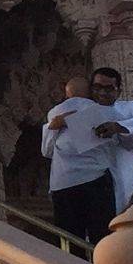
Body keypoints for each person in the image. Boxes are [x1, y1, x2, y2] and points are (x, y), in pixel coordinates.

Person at [41, 71, 121, 252]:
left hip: (64, 183)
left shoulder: (55, 113)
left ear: (67, 93)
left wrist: (56, 125)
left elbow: (46, 151)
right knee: (101, 236)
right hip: (97, 178)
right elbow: (115, 142)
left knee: (69, 238)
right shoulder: (103, 111)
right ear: (89, 92)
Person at [90, 63, 133, 212]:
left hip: (128, 175)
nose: (101, 93)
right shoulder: (85, 113)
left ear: (118, 91)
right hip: (96, 179)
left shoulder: (129, 108)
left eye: (108, 89)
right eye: (97, 87)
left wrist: (117, 127)